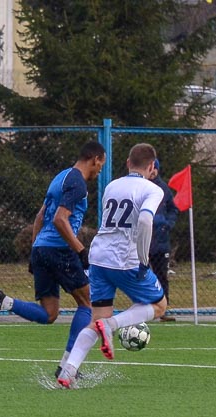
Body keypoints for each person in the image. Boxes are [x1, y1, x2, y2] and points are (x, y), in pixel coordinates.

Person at [0, 141, 106, 377]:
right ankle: (67, 367)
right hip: (59, 249)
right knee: (88, 304)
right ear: (95, 159)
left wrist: (34, 249)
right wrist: (80, 251)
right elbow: (59, 219)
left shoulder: (61, 177)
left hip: (42, 248)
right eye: (101, 164)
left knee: (50, 313)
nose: (99, 171)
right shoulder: (78, 183)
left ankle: (3, 302)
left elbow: (40, 216)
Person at [57, 143, 168, 389]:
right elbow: (146, 220)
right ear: (151, 167)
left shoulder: (111, 186)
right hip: (125, 259)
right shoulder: (152, 189)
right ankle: (112, 325)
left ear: (128, 163)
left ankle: (68, 371)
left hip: (98, 257)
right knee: (159, 305)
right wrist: (143, 259)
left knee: (95, 319)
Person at [148, 158, 178, 322]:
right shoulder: (140, 187)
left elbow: (173, 209)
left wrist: (167, 224)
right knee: (141, 274)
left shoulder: (163, 188)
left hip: (160, 241)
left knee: (161, 275)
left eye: (153, 168)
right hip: (143, 242)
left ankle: (163, 309)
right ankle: (143, 307)